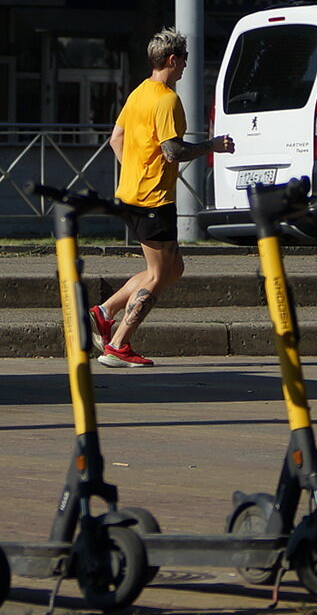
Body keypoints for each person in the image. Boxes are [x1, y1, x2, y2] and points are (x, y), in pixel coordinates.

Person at [89, 28, 234, 367]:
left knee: (173, 268)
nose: (185, 67)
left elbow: (116, 139)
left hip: (133, 195)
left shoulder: (139, 92)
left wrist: (136, 171)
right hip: (154, 200)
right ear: (172, 60)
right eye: (183, 60)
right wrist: (213, 146)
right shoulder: (167, 99)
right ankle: (119, 344)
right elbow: (172, 151)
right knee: (158, 275)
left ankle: (104, 311)